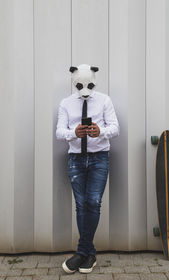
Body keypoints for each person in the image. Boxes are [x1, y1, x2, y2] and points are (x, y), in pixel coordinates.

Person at [56, 64, 120, 274]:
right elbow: (59, 132)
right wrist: (74, 132)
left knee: (93, 202)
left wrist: (99, 131)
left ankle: (81, 252)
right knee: (81, 204)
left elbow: (115, 127)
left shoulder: (104, 100)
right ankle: (89, 253)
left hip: (99, 157)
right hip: (76, 158)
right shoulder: (66, 103)